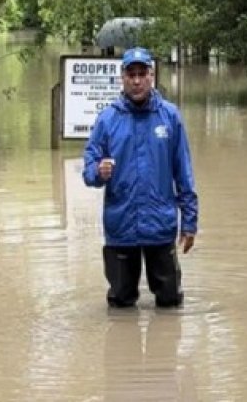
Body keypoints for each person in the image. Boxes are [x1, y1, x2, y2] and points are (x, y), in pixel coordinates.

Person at [82, 47, 198, 308]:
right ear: (122, 78)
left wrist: (189, 222)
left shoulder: (169, 117)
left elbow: (184, 172)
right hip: (120, 225)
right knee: (121, 303)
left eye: (142, 73)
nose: (136, 81)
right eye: (131, 74)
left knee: (169, 302)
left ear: (152, 75)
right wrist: (98, 172)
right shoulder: (107, 119)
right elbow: (89, 168)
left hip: (160, 224)